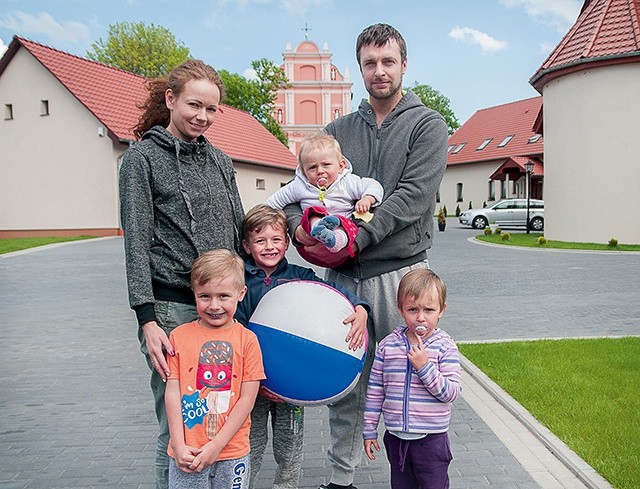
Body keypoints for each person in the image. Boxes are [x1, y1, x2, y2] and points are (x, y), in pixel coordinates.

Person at [285, 24, 448, 489]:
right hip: (345, 279)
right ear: (359, 68)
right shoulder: (336, 131)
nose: (380, 71)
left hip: (403, 277)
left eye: (388, 61)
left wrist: (354, 238)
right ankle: (341, 479)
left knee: (408, 379)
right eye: (370, 63)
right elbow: (304, 191)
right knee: (346, 384)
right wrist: (304, 231)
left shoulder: (428, 125)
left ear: (404, 64)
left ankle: (414, 477)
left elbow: (413, 197)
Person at [119, 59, 245, 489]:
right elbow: (135, 241)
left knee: (219, 415)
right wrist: (147, 319)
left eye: (211, 110)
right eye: (194, 105)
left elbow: (239, 229)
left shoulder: (221, 161)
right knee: (177, 425)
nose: (202, 117)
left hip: (225, 309)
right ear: (171, 99)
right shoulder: (141, 160)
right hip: (172, 310)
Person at [234, 204, 369, 489]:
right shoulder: (239, 282)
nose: (269, 247)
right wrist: (257, 382)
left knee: (290, 448)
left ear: (286, 242)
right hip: (252, 386)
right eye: (260, 241)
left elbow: (335, 294)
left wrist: (360, 308)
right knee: (250, 444)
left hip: (294, 390)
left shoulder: (301, 275)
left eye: (276, 239)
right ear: (246, 245)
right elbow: (236, 333)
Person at [165, 249, 265, 489]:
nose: (214, 305)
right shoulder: (178, 337)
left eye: (223, 296)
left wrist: (217, 445)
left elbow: (246, 399)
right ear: (194, 294)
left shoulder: (248, 340)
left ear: (241, 294)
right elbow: (172, 393)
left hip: (232, 451)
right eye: (205, 296)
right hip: (188, 450)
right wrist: (178, 445)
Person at [363, 268, 461, 488]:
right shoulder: (389, 345)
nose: (420, 317)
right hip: (396, 438)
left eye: (429, 310)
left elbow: (451, 393)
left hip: (432, 440)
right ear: (400, 309)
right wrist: (369, 429)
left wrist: (425, 367)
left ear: (441, 310)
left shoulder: (444, 346)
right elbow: (375, 390)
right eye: (412, 309)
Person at [265, 133, 383, 266]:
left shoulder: (347, 182)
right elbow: (274, 201)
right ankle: (320, 228)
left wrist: (367, 199)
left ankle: (335, 240)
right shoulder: (299, 186)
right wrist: (262, 218)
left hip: (342, 234)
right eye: (312, 167)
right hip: (310, 238)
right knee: (313, 214)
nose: (320, 171)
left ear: (340, 166)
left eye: (326, 165)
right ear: (303, 172)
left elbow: (374, 186)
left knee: (346, 226)